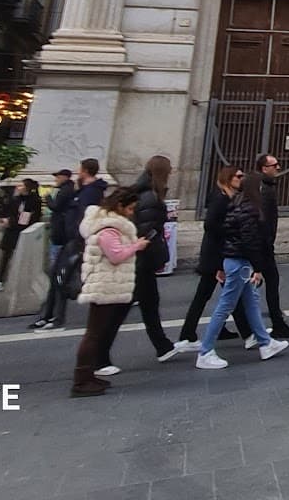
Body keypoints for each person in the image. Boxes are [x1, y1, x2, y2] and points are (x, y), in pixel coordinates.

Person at [99, 155, 181, 372]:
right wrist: (154, 248)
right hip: (139, 261)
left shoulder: (143, 194)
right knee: (122, 309)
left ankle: (162, 346)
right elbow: (145, 232)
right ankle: (99, 358)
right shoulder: (151, 198)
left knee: (149, 303)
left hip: (139, 261)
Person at [195, 174, 287, 370]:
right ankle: (205, 351)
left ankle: (265, 343)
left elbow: (228, 236)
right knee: (225, 306)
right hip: (240, 262)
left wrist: (221, 264)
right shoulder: (250, 209)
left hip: (234, 260)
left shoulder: (235, 204)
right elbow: (248, 241)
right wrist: (259, 268)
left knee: (252, 303)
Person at [70, 187, 149, 397]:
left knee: (97, 333)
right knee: (94, 334)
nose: (132, 212)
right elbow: (115, 255)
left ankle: (88, 376)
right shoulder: (109, 229)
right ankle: (81, 380)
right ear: (120, 206)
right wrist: (136, 246)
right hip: (105, 286)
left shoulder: (106, 225)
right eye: (130, 208)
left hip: (107, 284)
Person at [175, 166, 253, 349]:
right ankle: (249, 334)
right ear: (229, 179)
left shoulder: (227, 198)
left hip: (217, 253)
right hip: (217, 254)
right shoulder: (221, 199)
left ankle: (189, 334)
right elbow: (211, 225)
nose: (242, 179)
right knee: (230, 295)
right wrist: (232, 231)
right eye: (239, 176)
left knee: (216, 294)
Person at [32, 158, 107, 331]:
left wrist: (78, 236)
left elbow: (85, 215)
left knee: (62, 277)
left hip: (76, 240)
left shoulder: (89, 193)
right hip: (70, 238)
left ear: (85, 170)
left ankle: (56, 317)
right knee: (58, 276)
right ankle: (48, 315)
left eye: (80, 168)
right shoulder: (83, 190)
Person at [251, 152, 289, 338]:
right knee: (267, 283)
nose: (278, 167)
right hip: (262, 244)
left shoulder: (264, 186)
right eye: (274, 165)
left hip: (261, 243)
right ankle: (274, 324)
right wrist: (265, 243)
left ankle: (273, 322)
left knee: (253, 286)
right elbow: (262, 220)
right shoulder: (264, 190)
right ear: (264, 168)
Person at [0, 178, 43, 294]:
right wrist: (4, 220)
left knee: (24, 256)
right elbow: (4, 211)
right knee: (5, 256)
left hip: (24, 231)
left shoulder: (34, 201)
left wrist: (15, 221)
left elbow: (33, 217)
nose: (18, 187)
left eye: (21, 185)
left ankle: (23, 280)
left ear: (27, 187)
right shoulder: (13, 199)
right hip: (10, 231)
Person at [44, 168, 75, 271]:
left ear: (64, 177)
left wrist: (48, 198)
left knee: (56, 257)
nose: (56, 179)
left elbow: (56, 206)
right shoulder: (69, 188)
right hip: (63, 227)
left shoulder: (65, 190)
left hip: (60, 229)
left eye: (58, 177)